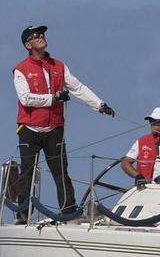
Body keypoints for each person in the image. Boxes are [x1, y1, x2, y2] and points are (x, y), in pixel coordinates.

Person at [13, 25, 115, 224]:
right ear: (28, 45)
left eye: (42, 34)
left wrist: (99, 105)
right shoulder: (21, 70)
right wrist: (53, 98)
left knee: (61, 171)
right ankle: (23, 214)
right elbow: (25, 98)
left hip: (54, 128)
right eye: (36, 35)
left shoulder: (59, 66)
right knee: (27, 172)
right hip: (30, 129)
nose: (41, 36)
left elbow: (77, 88)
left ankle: (68, 210)